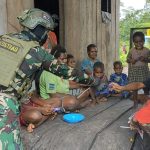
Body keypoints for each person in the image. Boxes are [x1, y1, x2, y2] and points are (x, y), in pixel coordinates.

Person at [0, 8, 77, 149]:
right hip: (5, 103)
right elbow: (68, 72)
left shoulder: (3, 39)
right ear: (39, 29)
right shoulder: (37, 52)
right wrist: (88, 80)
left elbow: (28, 95)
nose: (46, 37)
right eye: (46, 32)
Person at [127, 31, 150, 95]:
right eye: (136, 42)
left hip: (144, 71)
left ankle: (146, 100)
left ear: (144, 41)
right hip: (134, 72)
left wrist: (145, 59)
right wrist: (131, 60)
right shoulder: (131, 50)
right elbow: (127, 59)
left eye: (140, 41)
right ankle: (135, 103)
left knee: (146, 86)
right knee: (135, 87)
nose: (138, 44)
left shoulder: (147, 50)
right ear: (133, 42)